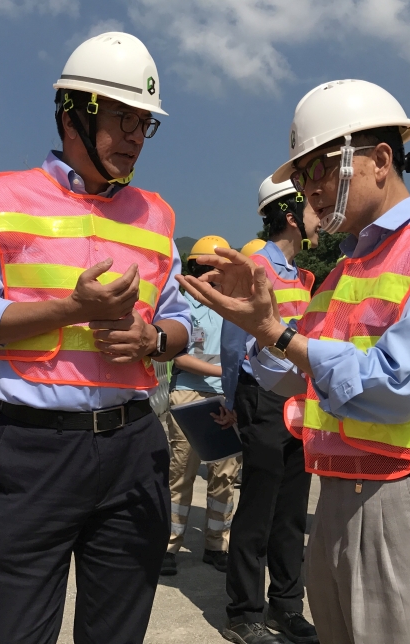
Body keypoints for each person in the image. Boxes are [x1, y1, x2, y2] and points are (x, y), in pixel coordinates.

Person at [179, 79, 410, 644]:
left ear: (380, 160)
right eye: (303, 175)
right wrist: (257, 328)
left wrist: (278, 337)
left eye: (321, 169)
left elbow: (399, 385)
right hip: (337, 498)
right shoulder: (343, 271)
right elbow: (291, 377)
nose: (309, 189)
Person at [0, 31, 191, 644]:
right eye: (123, 118)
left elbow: (182, 321)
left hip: (133, 445)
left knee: (117, 631)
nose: (136, 136)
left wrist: (152, 340)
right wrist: (70, 309)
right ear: (73, 114)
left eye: (145, 124)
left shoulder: (157, 215)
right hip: (34, 450)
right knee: (12, 630)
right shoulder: (2, 199)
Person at [215, 179, 320, 644]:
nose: (324, 212)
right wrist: (236, 401)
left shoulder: (301, 274)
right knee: (258, 510)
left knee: (292, 512)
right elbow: (233, 340)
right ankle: (244, 613)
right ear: (293, 214)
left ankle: (286, 605)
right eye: (315, 205)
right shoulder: (257, 266)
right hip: (263, 400)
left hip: (300, 402)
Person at [162, 235, 240, 577]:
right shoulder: (182, 305)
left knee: (224, 477)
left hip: (225, 400)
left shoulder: (233, 305)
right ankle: (168, 545)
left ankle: (216, 545)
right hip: (188, 397)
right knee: (180, 474)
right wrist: (220, 371)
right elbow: (176, 356)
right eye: (208, 267)